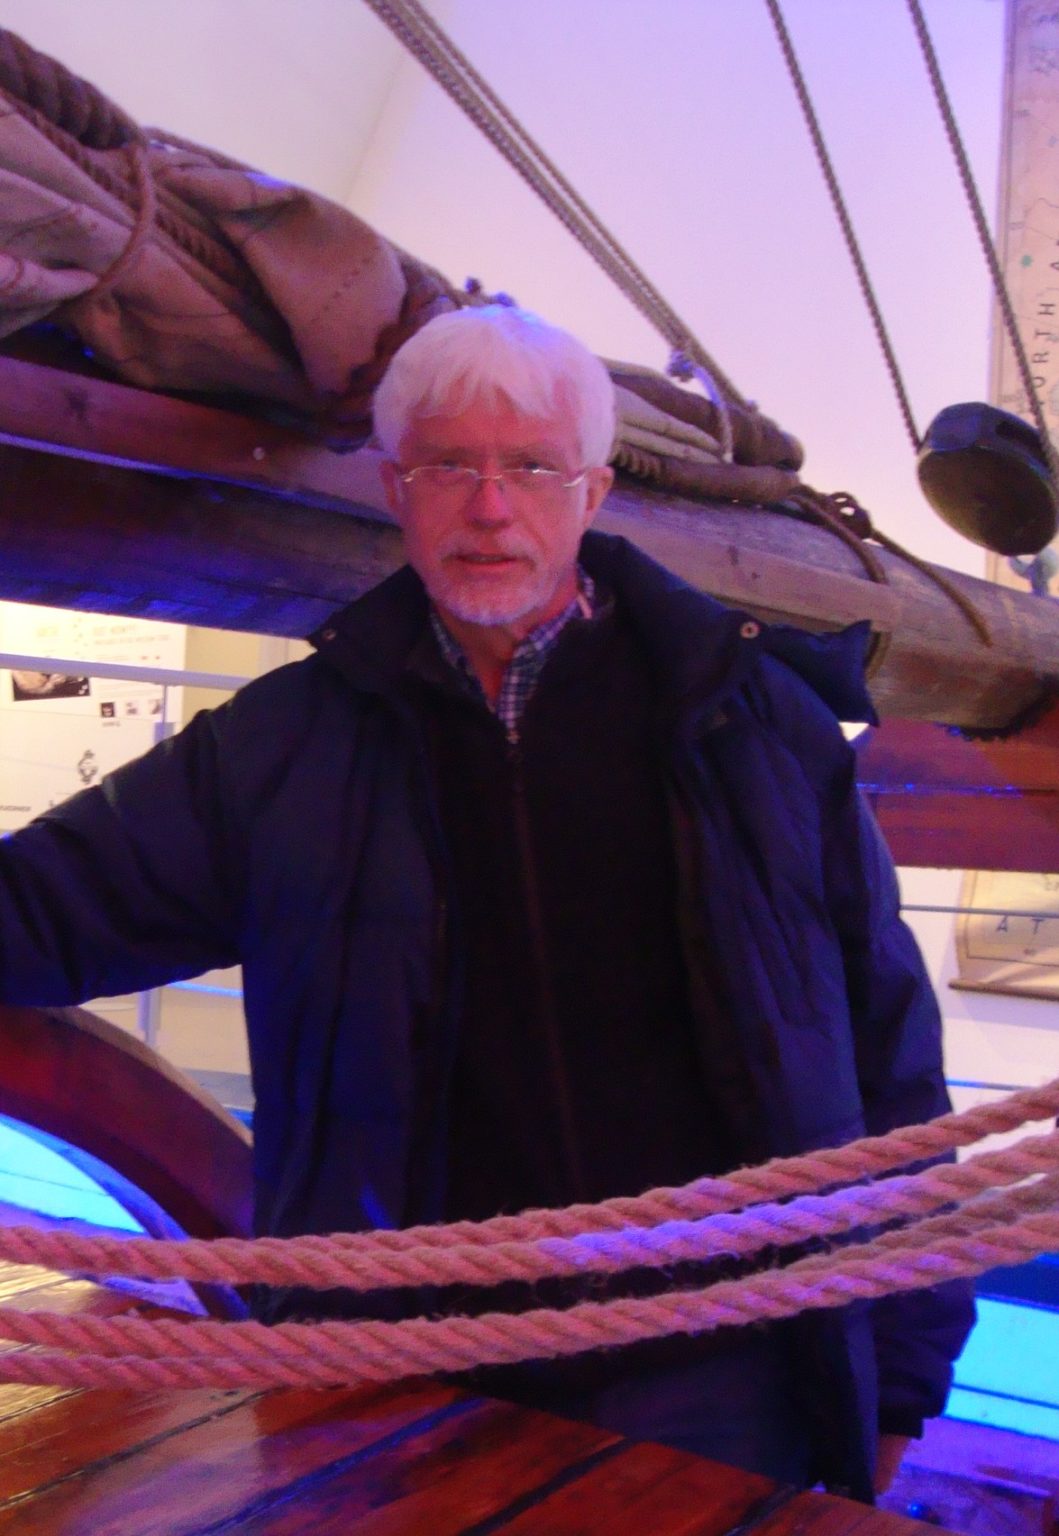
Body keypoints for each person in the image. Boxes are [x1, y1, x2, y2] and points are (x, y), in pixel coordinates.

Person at [0, 304, 972, 1501]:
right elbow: (45, 906)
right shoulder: (285, 747)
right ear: (394, 489)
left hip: (729, 1364)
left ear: (592, 492)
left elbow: (890, 1056)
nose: (491, 507)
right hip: (410, 1364)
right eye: (449, 466)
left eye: (531, 468)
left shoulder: (757, 727)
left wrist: (905, 1372)